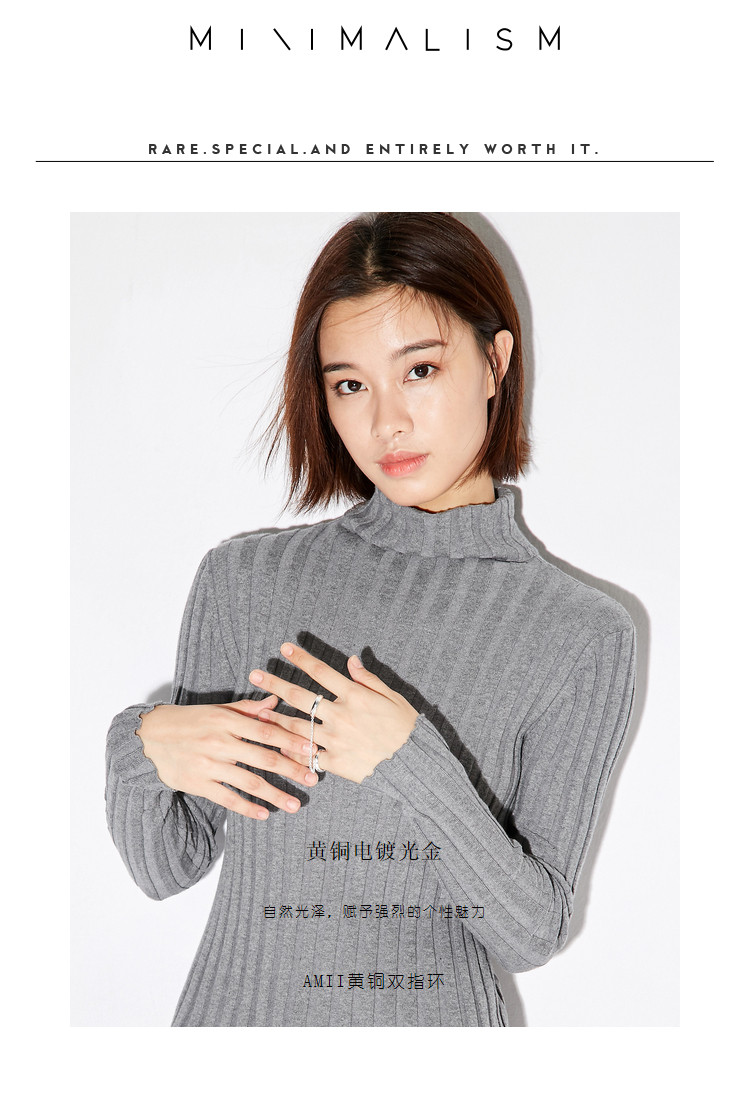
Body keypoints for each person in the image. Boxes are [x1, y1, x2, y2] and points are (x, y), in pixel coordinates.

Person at [105, 212, 637, 1027]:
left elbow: (533, 929)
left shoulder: (582, 633)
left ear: (495, 362)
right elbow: (166, 865)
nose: (387, 421)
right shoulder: (245, 581)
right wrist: (140, 748)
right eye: (350, 384)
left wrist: (406, 759)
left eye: (420, 369)